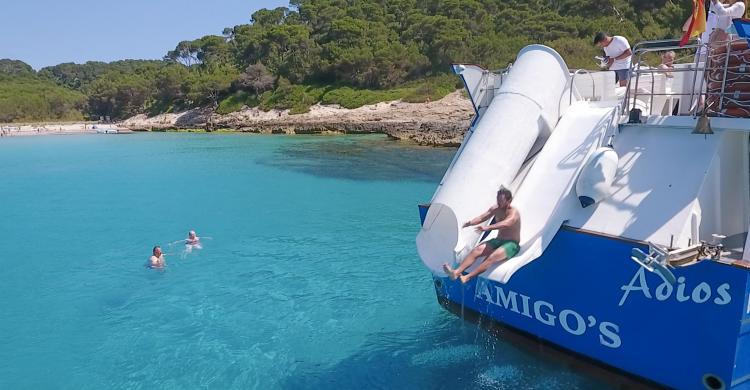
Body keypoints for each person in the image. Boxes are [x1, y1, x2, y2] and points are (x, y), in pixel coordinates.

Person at [443, 187, 521, 284]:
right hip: (499, 240)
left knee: (492, 257)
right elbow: (482, 217)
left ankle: (467, 277)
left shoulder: (513, 213)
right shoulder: (496, 208)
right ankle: (456, 272)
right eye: (497, 200)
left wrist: (487, 228)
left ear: (509, 200)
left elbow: (506, 223)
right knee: (477, 250)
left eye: (501, 201)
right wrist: (470, 223)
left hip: (512, 244)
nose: (498, 203)